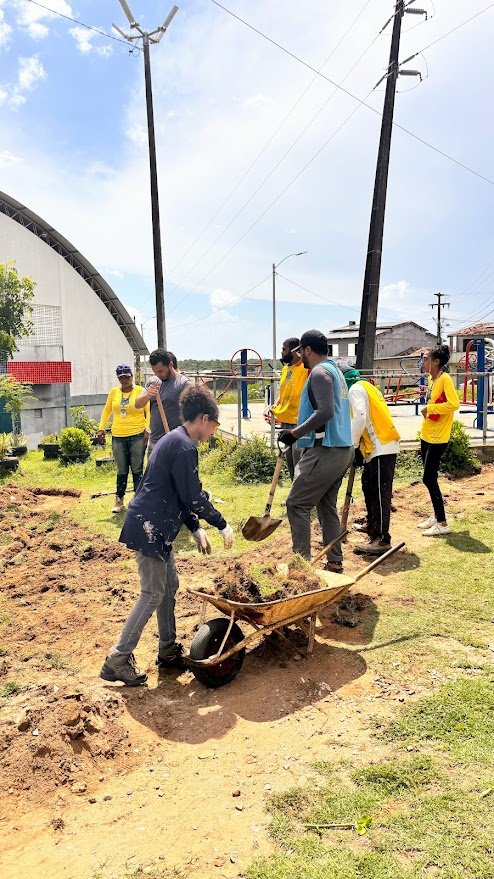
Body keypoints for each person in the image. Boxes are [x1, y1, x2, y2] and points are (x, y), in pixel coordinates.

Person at [100, 386, 234, 686]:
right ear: (203, 419)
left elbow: (176, 492)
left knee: (169, 584)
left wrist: (196, 528)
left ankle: (168, 649)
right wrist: (220, 523)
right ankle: (117, 659)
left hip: (156, 524)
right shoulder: (184, 446)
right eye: (214, 426)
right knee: (152, 593)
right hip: (150, 527)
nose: (212, 432)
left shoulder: (173, 439)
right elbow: (193, 496)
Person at [279, 329, 353, 573]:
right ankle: (334, 561)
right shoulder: (335, 371)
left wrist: (294, 434)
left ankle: (301, 567)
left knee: (296, 504)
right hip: (342, 449)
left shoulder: (320, 373)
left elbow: (325, 412)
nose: (301, 357)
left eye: (302, 352)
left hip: (325, 450)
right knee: (325, 505)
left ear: (307, 350)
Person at [342, 367, 400, 555]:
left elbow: (359, 416)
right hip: (376, 447)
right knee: (368, 486)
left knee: (380, 491)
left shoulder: (355, 389)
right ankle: (373, 526)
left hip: (381, 446)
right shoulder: (368, 386)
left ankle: (382, 538)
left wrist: (353, 444)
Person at [97, 364, 150, 514]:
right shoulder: (113, 392)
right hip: (118, 435)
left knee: (137, 468)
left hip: (137, 435)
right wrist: (101, 428)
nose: (124, 379)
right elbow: (107, 410)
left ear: (132, 376)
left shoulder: (140, 391)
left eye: (126, 376)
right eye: (121, 377)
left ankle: (138, 501)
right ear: (118, 378)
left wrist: (148, 429)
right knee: (121, 469)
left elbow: (148, 411)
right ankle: (119, 500)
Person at [419, 344, 459, 536]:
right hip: (427, 434)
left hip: (438, 437)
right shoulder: (431, 379)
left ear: (436, 362)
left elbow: (453, 404)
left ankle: (443, 524)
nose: (423, 362)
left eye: (426, 359)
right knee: (430, 478)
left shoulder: (445, 379)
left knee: (428, 478)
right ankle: (436, 516)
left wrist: (431, 409)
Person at [135, 350, 191, 454]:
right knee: (154, 470)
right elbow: (137, 404)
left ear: (170, 365)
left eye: (160, 371)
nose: (158, 374)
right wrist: (148, 395)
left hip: (176, 442)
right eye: (155, 371)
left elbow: (192, 415)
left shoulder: (183, 384)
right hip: (155, 442)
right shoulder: (153, 382)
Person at [269, 337, 309, 479]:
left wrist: (300, 355)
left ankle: (301, 497)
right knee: (290, 461)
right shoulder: (286, 369)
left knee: (299, 460)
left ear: (294, 351)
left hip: (299, 422)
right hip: (286, 421)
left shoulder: (304, 368)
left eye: (284, 349)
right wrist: (276, 403)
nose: (281, 352)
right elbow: (283, 391)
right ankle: (294, 495)